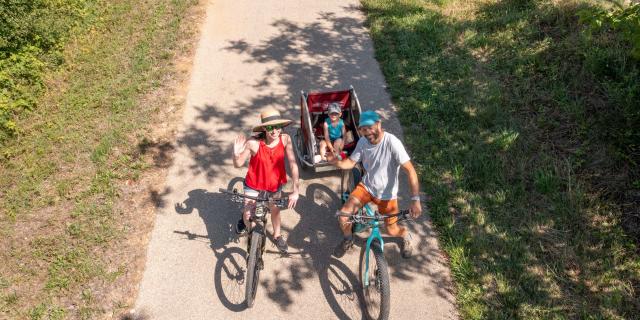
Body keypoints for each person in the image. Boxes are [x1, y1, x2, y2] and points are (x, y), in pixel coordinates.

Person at [327, 110, 422, 259]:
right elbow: (351, 163)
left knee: (391, 230)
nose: (367, 132)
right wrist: (336, 162)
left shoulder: (392, 142)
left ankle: (405, 235)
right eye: (363, 129)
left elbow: (410, 170)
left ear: (379, 124)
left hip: (387, 195)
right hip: (366, 188)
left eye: (370, 128)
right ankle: (348, 239)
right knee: (344, 216)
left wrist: (415, 200)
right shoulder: (363, 142)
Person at [232, 108, 300, 253]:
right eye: (270, 127)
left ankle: (276, 236)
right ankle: (249, 229)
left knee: (275, 210)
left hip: (274, 185)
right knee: (248, 214)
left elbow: (293, 164)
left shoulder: (285, 139)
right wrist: (235, 154)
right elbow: (238, 164)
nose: (274, 131)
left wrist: (295, 190)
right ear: (264, 128)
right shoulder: (253, 143)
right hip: (253, 185)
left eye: (277, 126)